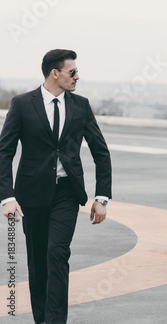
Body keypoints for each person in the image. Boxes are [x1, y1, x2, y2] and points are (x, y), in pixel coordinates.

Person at [0, 49, 112, 324]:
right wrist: (7, 198)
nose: (77, 77)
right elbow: (5, 152)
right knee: (38, 262)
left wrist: (102, 197)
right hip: (31, 195)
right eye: (72, 72)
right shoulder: (23, 104)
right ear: (55, 73)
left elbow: (101, 151)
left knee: (57, 254)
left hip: (66, 193)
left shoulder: (81, 106)